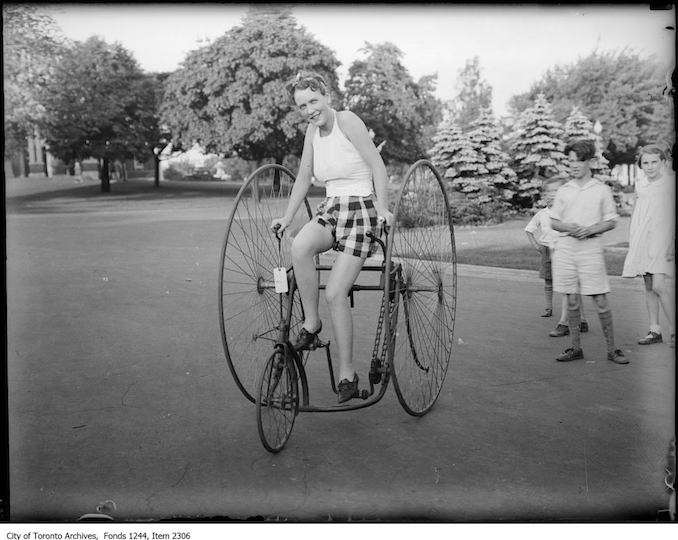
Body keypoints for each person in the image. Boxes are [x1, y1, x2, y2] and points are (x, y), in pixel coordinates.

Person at [271, 72, 393, 403]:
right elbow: (304, 177)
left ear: (327, 96)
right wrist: (286, 216)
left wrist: (383, 208)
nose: (309, 109)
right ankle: (311, 325)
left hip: (362, 210)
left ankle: (347, 375)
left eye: (313, 101)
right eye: (302, 106)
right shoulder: (312, 131)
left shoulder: (347, 121)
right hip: (332, 207)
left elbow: (378, 167)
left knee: (336, 293)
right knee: (300, 245)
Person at [550, 138, 627, 364]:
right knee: (572, 300)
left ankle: (612, 349)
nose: (573, 165)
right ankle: (575, 347)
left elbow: (612, 220)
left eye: (578, 161)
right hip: (566, 250)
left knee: (600, 300)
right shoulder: (564, 190)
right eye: (570, 161)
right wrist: (568, 227)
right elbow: (554, 222)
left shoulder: (601, 190)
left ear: (590, 161)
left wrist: (592, 229)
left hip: (590, 250)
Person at [622, 144, 675, 347]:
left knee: (659, 285)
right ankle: (655, 329)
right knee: (649, 286)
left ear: (663, 162)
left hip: (662, 239)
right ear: (640, 165)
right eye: (646, 163)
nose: (650, 166)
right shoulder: (640, 183)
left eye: (654, 162)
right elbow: (638, 211)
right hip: (643, 239)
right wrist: (633, 239)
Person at [525, 176, 589, 335]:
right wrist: (538, 246)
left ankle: (570, 322)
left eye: (555, 191)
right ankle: (574, 320)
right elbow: (531, 230)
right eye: (548, 192)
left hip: (568, 251)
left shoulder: (570, 210)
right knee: (562, 286)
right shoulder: (544, 213)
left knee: (570, 287)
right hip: (552, 250)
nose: (551, 195)